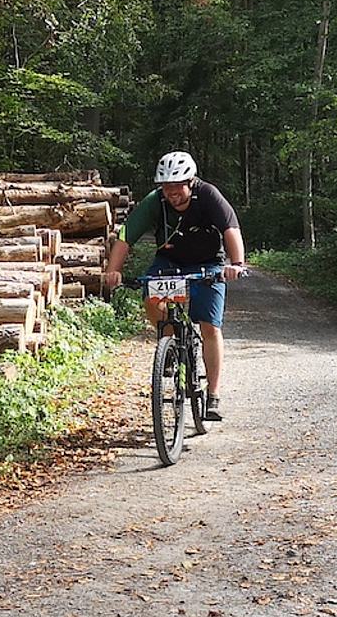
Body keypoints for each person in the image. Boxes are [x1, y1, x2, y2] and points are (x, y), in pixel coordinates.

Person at [101, 150, 246, 422]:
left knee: (209, 326)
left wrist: (236, 264)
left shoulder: (208, 195)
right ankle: (170, 342)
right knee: (151, 297)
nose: (172, 193)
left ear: (190, 182)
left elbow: (231, 228)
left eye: (177, 186)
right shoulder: (155, 201)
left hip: (208, 264)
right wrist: (113, 271)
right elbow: (126, 236)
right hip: (169, 262)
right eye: (167, 187)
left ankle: (213, 394)